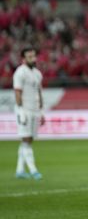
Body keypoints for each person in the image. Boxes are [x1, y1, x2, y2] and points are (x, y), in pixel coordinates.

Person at [13, 47, 45, 180]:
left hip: (35, 110)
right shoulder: (20, 72)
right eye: (30, 57)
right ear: (23, 59)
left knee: (28, 140)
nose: (33, 59)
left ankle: (20, 170)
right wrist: (21, 111)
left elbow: (39, 93)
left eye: (34, 56)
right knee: (26, 139)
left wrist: (41, 112)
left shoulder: (37, 73)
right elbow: (17, 92)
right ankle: (33, 170)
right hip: (25, 110)